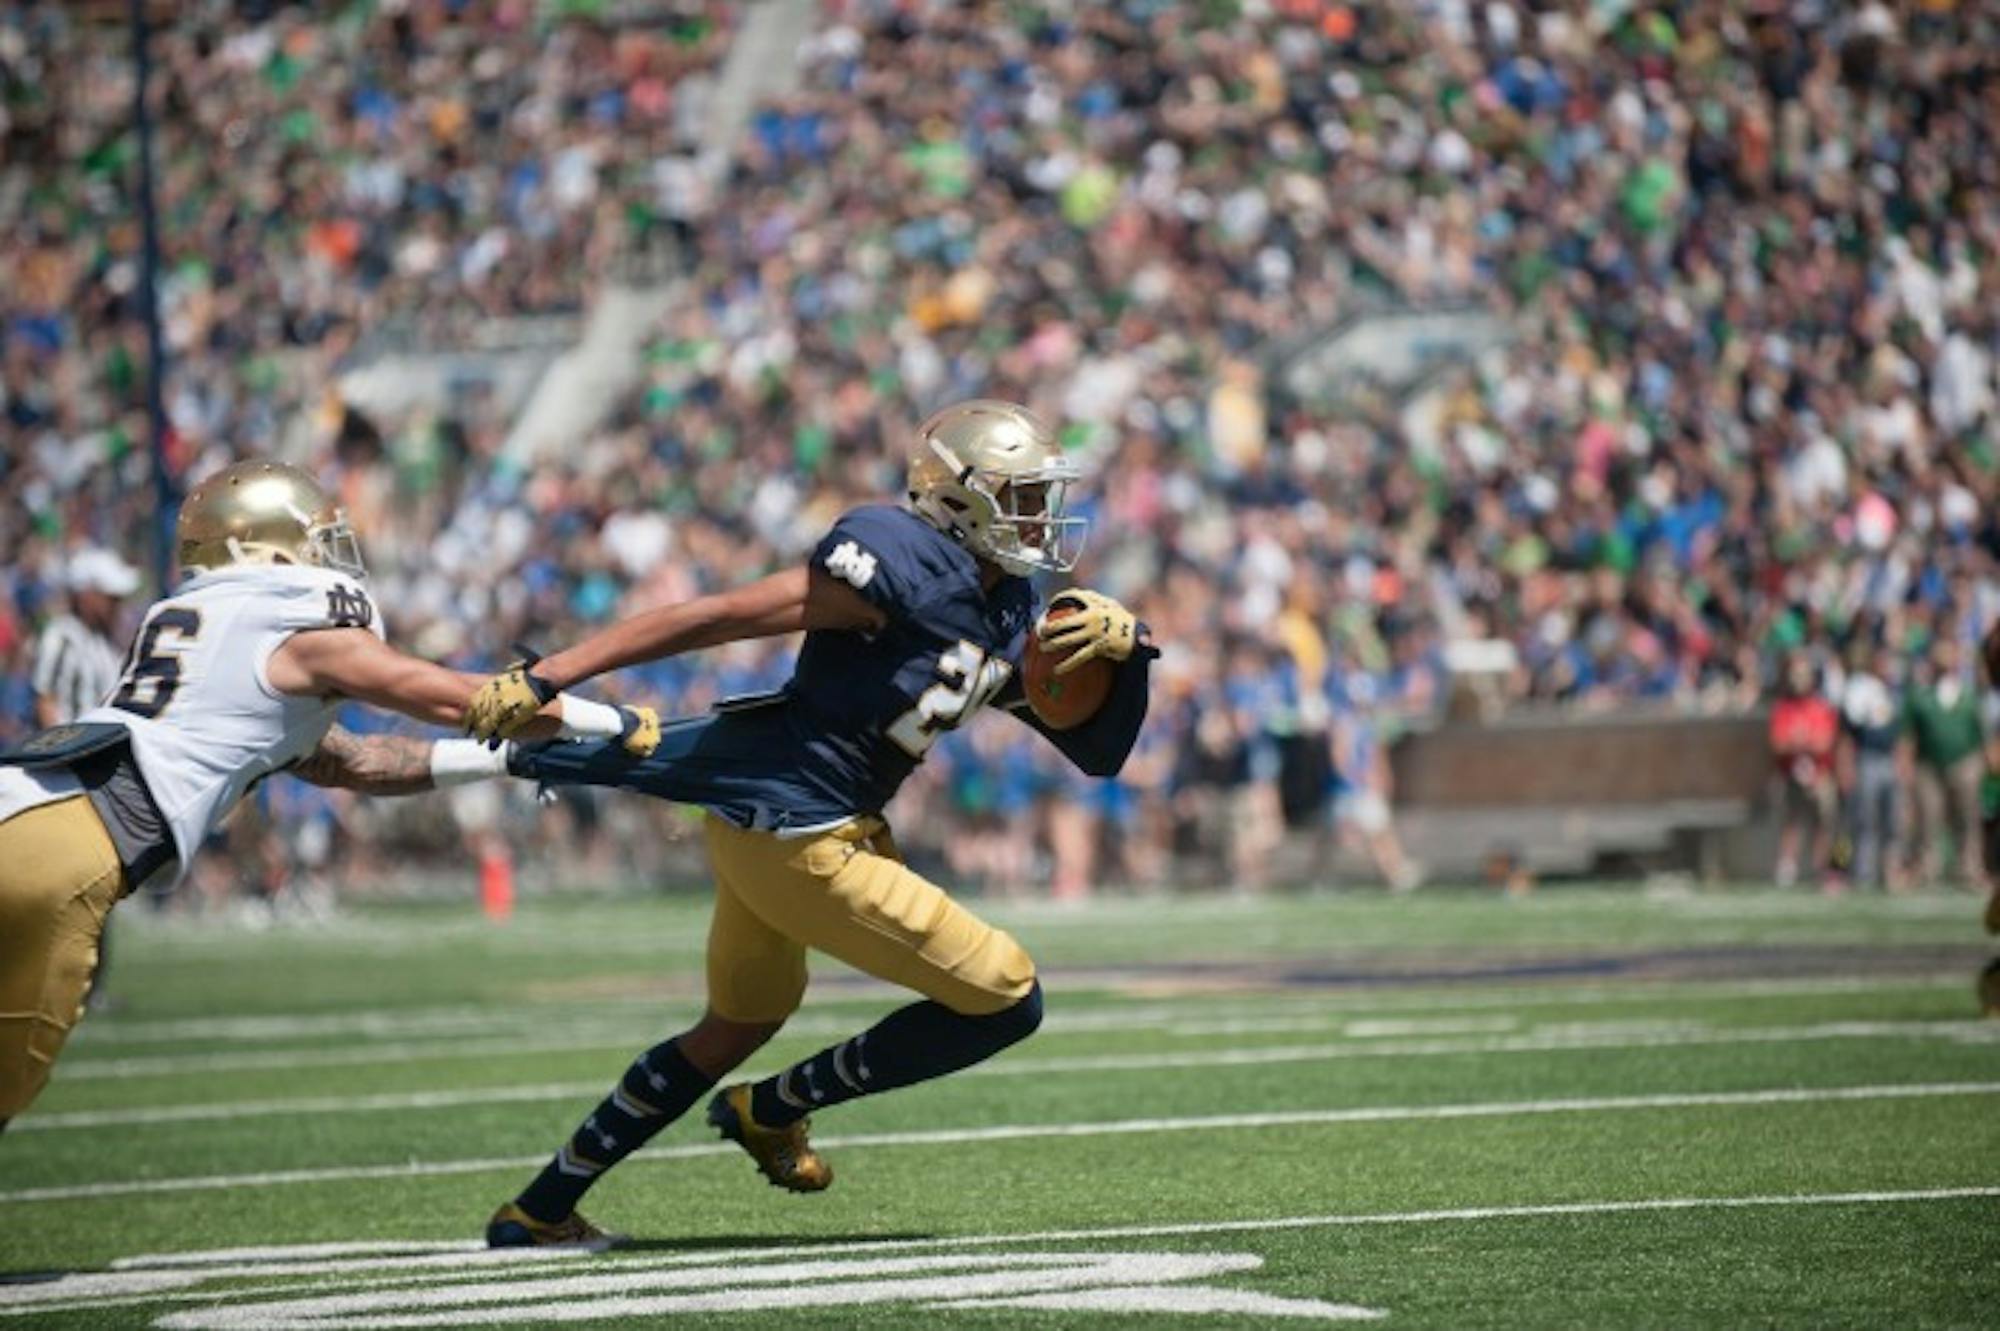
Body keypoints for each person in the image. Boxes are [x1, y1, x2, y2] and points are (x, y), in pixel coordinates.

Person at [462, 400, 1156, 1250]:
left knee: (736, 1024)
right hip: (804, 836)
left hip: (780, 830)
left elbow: (1091, 747)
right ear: (961, 500)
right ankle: (775, 1106)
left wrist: (1125, 657)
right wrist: (552, 673)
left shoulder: (1011, 602)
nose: (1038, 519)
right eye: (1020, 497)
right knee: (1008, 998)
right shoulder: (898, 559)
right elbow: (720, 614)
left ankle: (538, 1209)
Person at [0, 461, 647, 1130]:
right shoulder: (292, 626)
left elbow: (355, 760)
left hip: (19, 799)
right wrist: (609, 719)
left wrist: (509, 758)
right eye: (315, 540)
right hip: (67, 849)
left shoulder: (197, 622)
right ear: (266, 549)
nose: (330, 556)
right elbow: (451, 694)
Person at [30, 547, 143, 1009]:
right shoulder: (62, 636)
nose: (116, 605)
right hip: (68, 776)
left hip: (99, 776)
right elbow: (46, 701)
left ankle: (87, 985)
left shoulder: (101, 644)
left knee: (98, 884)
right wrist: (63, 756)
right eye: (108, 596)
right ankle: (58, 982)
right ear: (85, 594)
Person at [1903, 635, 1989, 893]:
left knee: (1968, 818)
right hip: (1929, 764)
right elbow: (1909, 737)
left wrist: (1984, 764)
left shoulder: (1969, 695)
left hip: (1965, 762)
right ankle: (1928, 868)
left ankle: (1970, 869)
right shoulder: (1920, 696)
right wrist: (1907, 766)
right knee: (1929, 819)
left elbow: (1982, 734)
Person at [1768, 651, 1840, 889]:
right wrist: (1802, 743)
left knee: (1825, 825)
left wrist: (1800, 742)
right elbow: (1778, 743)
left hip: (1820, 776)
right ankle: (1787, 869)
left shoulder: (1822, 708)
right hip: (1791, 775)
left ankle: (1827, 871)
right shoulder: (1783, 708)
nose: (1798, 680)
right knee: (1791, 823)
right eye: (1795, 675)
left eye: (1803, 675)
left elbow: (1825, 742)